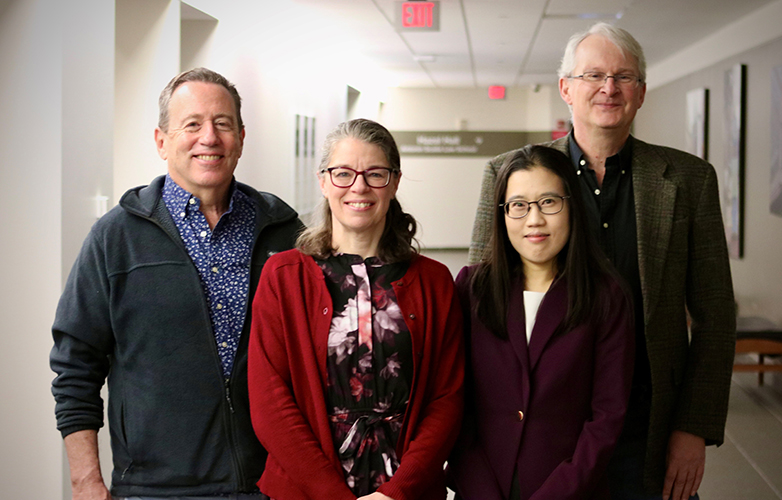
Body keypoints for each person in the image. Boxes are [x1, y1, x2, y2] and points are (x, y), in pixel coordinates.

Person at [468, 22, 736, 500]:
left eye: (624, 77)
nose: (609, 88)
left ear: (642, 92)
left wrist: (694, 428)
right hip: (544, 432)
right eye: (593, 75)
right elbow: (483, 309)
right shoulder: (511, 174)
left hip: (649, 426)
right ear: (566, 89)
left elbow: (716, 314)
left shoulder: (690, 180)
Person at [50, 67, 303, 499]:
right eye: (192, 124)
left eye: (223, 124)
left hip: (273, 482)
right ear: (161, 140)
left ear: (241, 137)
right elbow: (76, 364)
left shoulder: (284, 232)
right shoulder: (116, 238)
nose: (209, 137)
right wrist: (86, 481)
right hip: (155, 487)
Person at [247, 118, 464, 500]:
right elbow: (270, 403)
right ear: (323, 181)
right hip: (306, 489)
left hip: (405, 490)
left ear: (394, 182)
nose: (359, 187)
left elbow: (447, 399)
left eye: (375, 174)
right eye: (343, 173)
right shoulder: (282, 277)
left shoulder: (434, 281)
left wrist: (397, 492)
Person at [448, 145, 635, 499]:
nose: (534, 220)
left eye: (549, 202)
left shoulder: (606, 296)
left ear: (572, 206)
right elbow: (455, 403)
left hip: (570, 491)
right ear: (502, 214)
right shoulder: (472, 289)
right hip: (482, 489)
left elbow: (607, 417)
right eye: (519, 205)